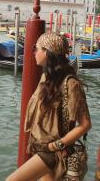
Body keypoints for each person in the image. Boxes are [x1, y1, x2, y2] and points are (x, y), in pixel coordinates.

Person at [6, 32, 92, 181]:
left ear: (47, 51)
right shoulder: (46, 78)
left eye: (36, 48)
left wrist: (56, 146)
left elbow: (85, 124)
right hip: (39, 147)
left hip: (52, 152)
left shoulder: (71, 84)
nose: (33, 52)